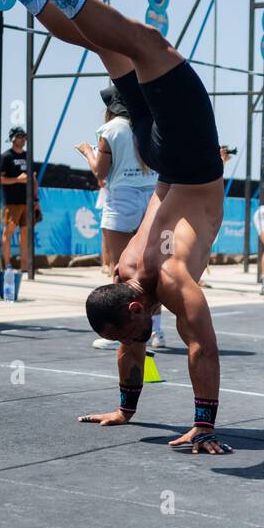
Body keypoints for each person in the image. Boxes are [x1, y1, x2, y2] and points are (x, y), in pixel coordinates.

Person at [0, 0, 229, 455]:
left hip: (184, 163)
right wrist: (133, 410)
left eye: (137, 333)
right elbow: (161, 345)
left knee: (142, 45)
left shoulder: (157, 281)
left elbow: (197, 349)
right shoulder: (131, 275)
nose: (139, 344)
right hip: (170, 159)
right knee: (115, 49)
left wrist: (198, 424)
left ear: (129, 302)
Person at [76, 87, 166, 350]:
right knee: (151, 270)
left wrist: (87, 152)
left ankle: (122, 332)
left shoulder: (111, 129)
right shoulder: (150, 123)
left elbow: (100, 173)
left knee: (120, 269)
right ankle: (156, 332)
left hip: (122, 196)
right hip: (152, 197)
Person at [0, 127, 40, 274]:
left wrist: (37, 200)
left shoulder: (28, 156)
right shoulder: (6, 157)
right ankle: (7, 265)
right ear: (12, 138)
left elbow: (33, 179)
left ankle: (25, 266)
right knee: (8, 233)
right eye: (19, 136)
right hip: (12, 202)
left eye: (24, 136)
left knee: (25, 233)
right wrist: (17, 179)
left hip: (27, 201)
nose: (23, 139)